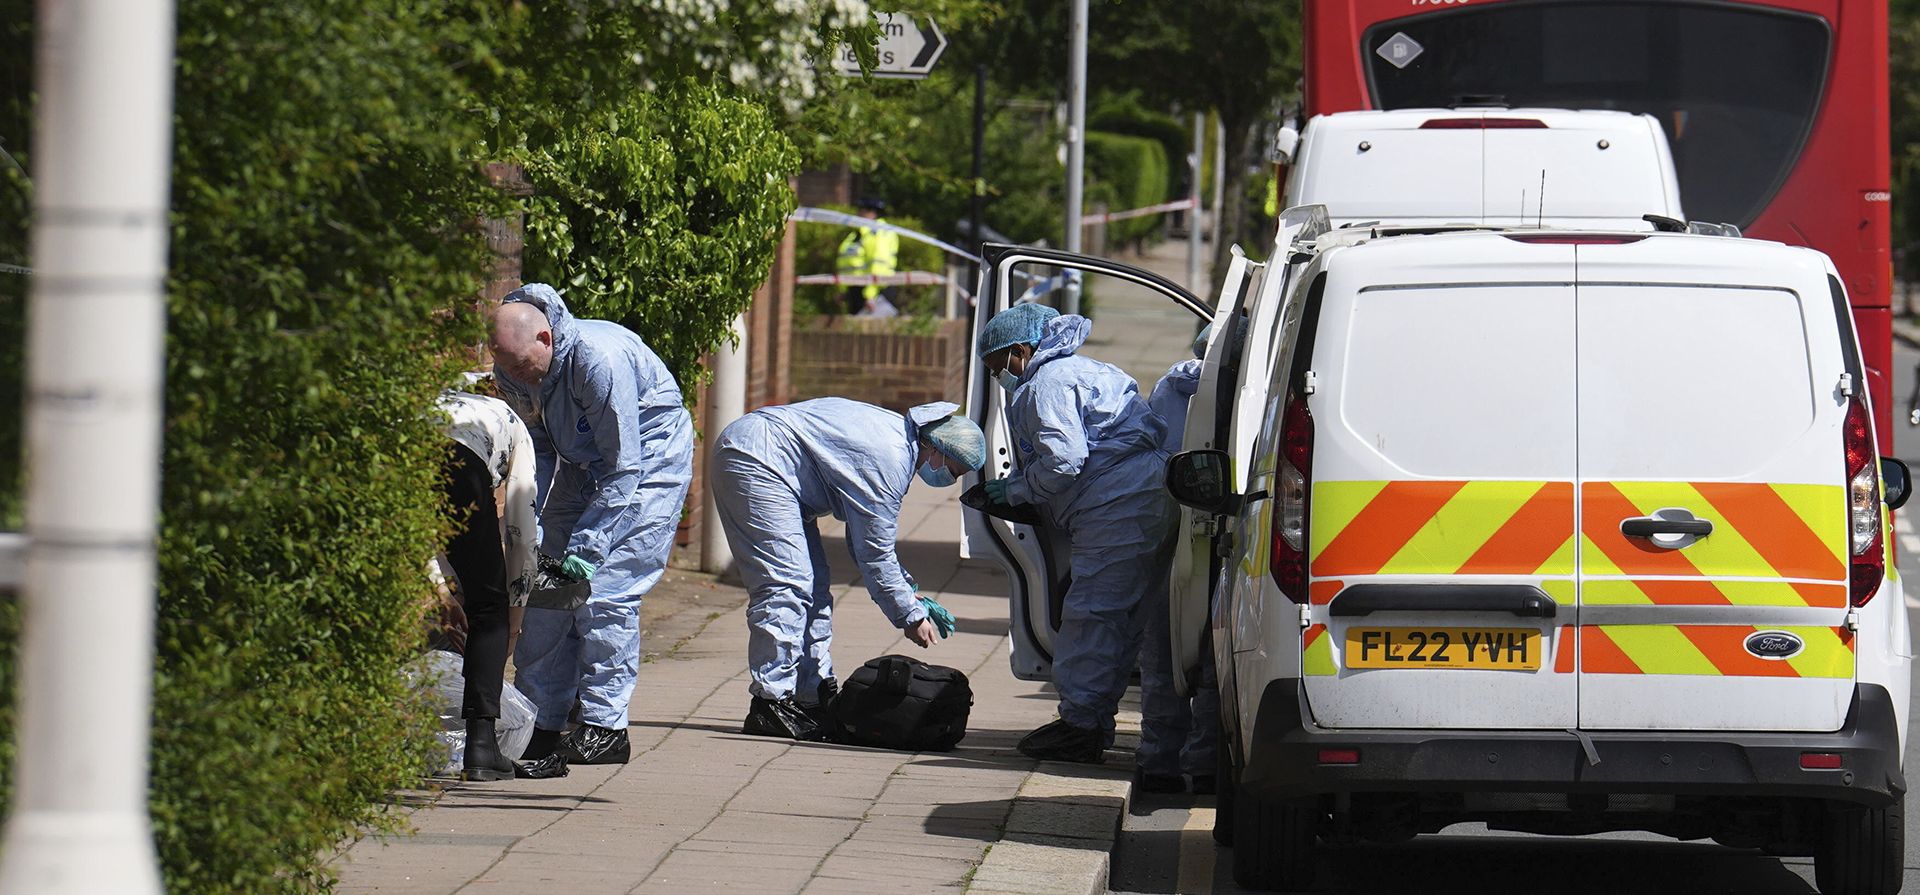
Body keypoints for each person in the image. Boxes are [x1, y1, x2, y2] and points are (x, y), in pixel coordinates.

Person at [489, 283, 694, 766]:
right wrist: (529, 525)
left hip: (649, 464)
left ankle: (606, 727)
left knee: (603, 593)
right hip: (584, 468)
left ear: (546, 338)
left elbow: (625, 465)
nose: (517, 377)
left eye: (521, 366)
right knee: (547, 590)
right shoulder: (516, 366)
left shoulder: (596, 361)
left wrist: (591, 543)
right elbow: (533, 446)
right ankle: (539, 720)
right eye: (508, 368)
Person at [977, 303, 1181, 764]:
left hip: (1117, 504)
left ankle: (1081, 725)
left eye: (996, 366)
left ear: (1020, 350)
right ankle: (1133, 736)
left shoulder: (1045, 384)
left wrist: (1017, 489)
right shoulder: (1084, 369)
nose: (998, 377)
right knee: (1127, 624)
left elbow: (1063, 461)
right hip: (1140, 495)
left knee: (1092, 615)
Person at [710, 398, 983, 741]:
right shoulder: (891, 458)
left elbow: (864, 541)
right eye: (954, 471)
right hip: (755, 460)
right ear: (938, 450)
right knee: (788, 584)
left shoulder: (901, 442)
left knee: (816, 587)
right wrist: (909, 615)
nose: (948, 479)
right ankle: (770, 702)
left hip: (769, 460)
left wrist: (910, 594)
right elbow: (874, 553)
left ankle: (812, 693)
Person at [1137, 326, 1226, 794]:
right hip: (1228, 531)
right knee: (1217, 654)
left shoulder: (1173, 385)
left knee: (1163, 652)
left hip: (1169, 527)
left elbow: (1152, 449)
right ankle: (1206, 764)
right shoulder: (1251, 389)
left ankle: (1160, 764)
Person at [434, 387, 539, 781]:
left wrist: (440, 591)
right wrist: (512, 622)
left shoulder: (439, 400)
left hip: (401, 458)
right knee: (487, 607)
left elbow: (411, 532)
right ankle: (481, 745)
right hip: (460, 465)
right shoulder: (514, 425)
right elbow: (521, 531)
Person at [836, 197, 900, 316]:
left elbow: (878, 266)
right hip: (856, 292)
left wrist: (870, 295)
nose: (857, 213)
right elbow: (848, 265)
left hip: (875, 294)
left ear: (872, 213)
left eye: (861, 210)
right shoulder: (856, 234)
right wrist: (843, 291)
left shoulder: (879, 233)